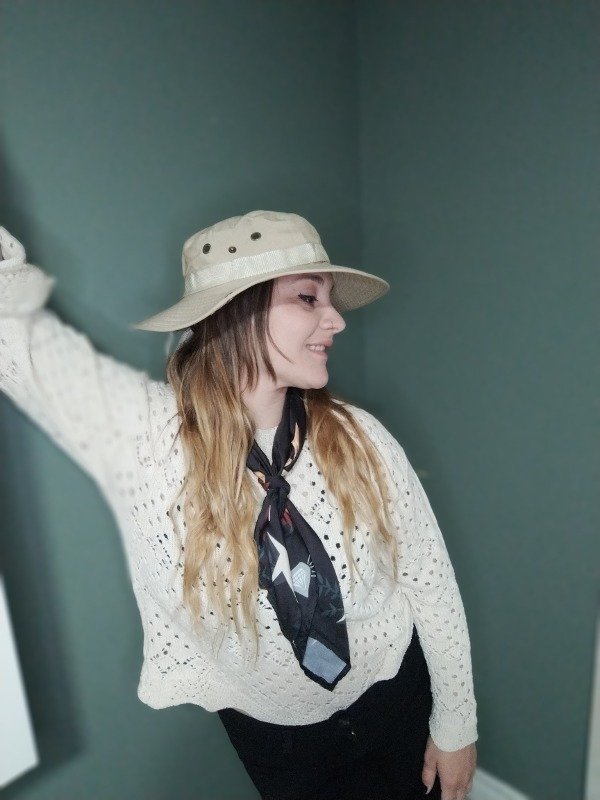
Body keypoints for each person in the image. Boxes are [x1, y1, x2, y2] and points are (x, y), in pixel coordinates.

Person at [0, 210, 477, 800]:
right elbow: (17, 346)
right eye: (308, 298)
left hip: (398, 693)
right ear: (236, 311)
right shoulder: (146, 442)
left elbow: (429, 580)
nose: (336, 320)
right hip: (276, 741)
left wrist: (456, 723)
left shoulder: (360, 437)